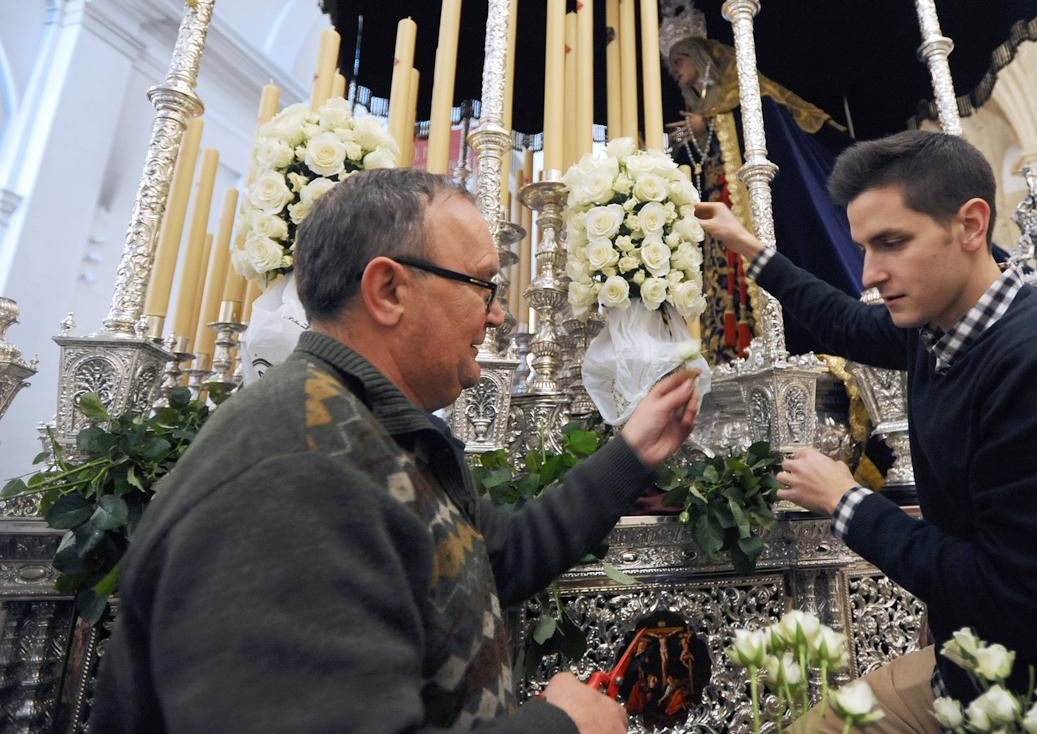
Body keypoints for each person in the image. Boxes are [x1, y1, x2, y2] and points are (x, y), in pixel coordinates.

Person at [91, 169, 700, 734]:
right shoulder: (295, 474)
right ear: (387, 290)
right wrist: (562, 726)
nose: (498, 316)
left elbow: (500, 558)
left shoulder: (372, 427)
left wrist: (632, 450)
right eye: (482, 284)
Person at [695, 130, 1037, 732]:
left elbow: (1013, 601)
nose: (870, 274)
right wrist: (747, 245)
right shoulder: (940, 326)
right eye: (864, 248)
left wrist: (846, 502)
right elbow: (842, 321)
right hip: (972, 672)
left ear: (972, 225)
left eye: (892, 243)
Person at [663, 29, 861, 363]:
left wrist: (709, 123)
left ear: (699, 57)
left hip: (748, 204)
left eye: (680, 61)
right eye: (672, 67)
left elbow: (757, 122)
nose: (676, 71)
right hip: (720, 204)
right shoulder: (700, 106)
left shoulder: (739, 95)